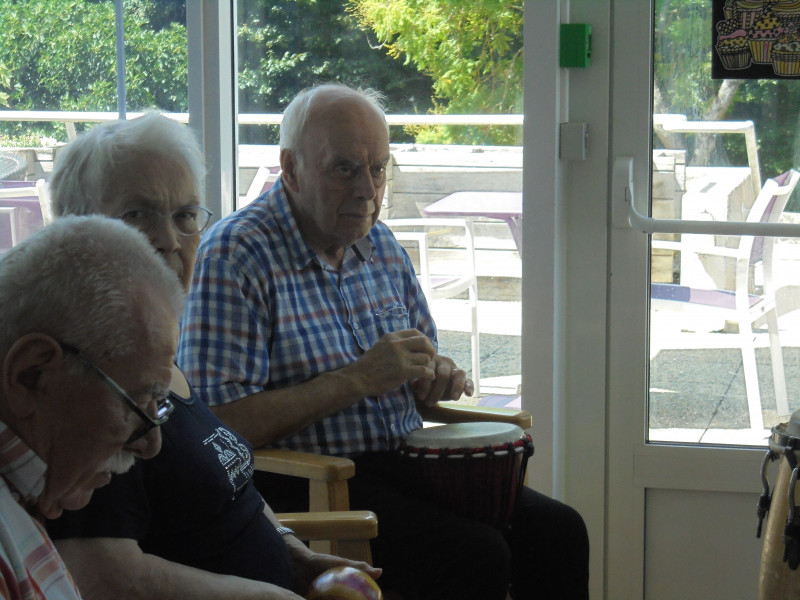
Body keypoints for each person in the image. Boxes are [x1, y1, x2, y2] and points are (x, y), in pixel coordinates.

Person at [177, 83, 590, 600]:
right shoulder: (236, 255)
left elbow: (420, 369)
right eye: (344, 169)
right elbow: (217, 426)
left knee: (559, 531)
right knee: (477, 554)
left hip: (402, 464)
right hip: (306, 484)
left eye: (378, 169)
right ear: (291, 168)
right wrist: (355, 380)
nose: (368, 191)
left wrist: (434, 378)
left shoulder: (380, 242)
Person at [45, 113, 380, 600]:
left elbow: (228, 484)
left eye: (185, 216)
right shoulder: (91, 379)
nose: (169, 240)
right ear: (76, 227)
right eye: (137, 214)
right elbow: (101, 576)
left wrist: (294, 553)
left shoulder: (151, 355)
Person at [0, 215, 183, 599]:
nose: (150, 446)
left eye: (158, 404)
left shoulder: (23, 498)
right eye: (136, 403)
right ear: (31, 375)